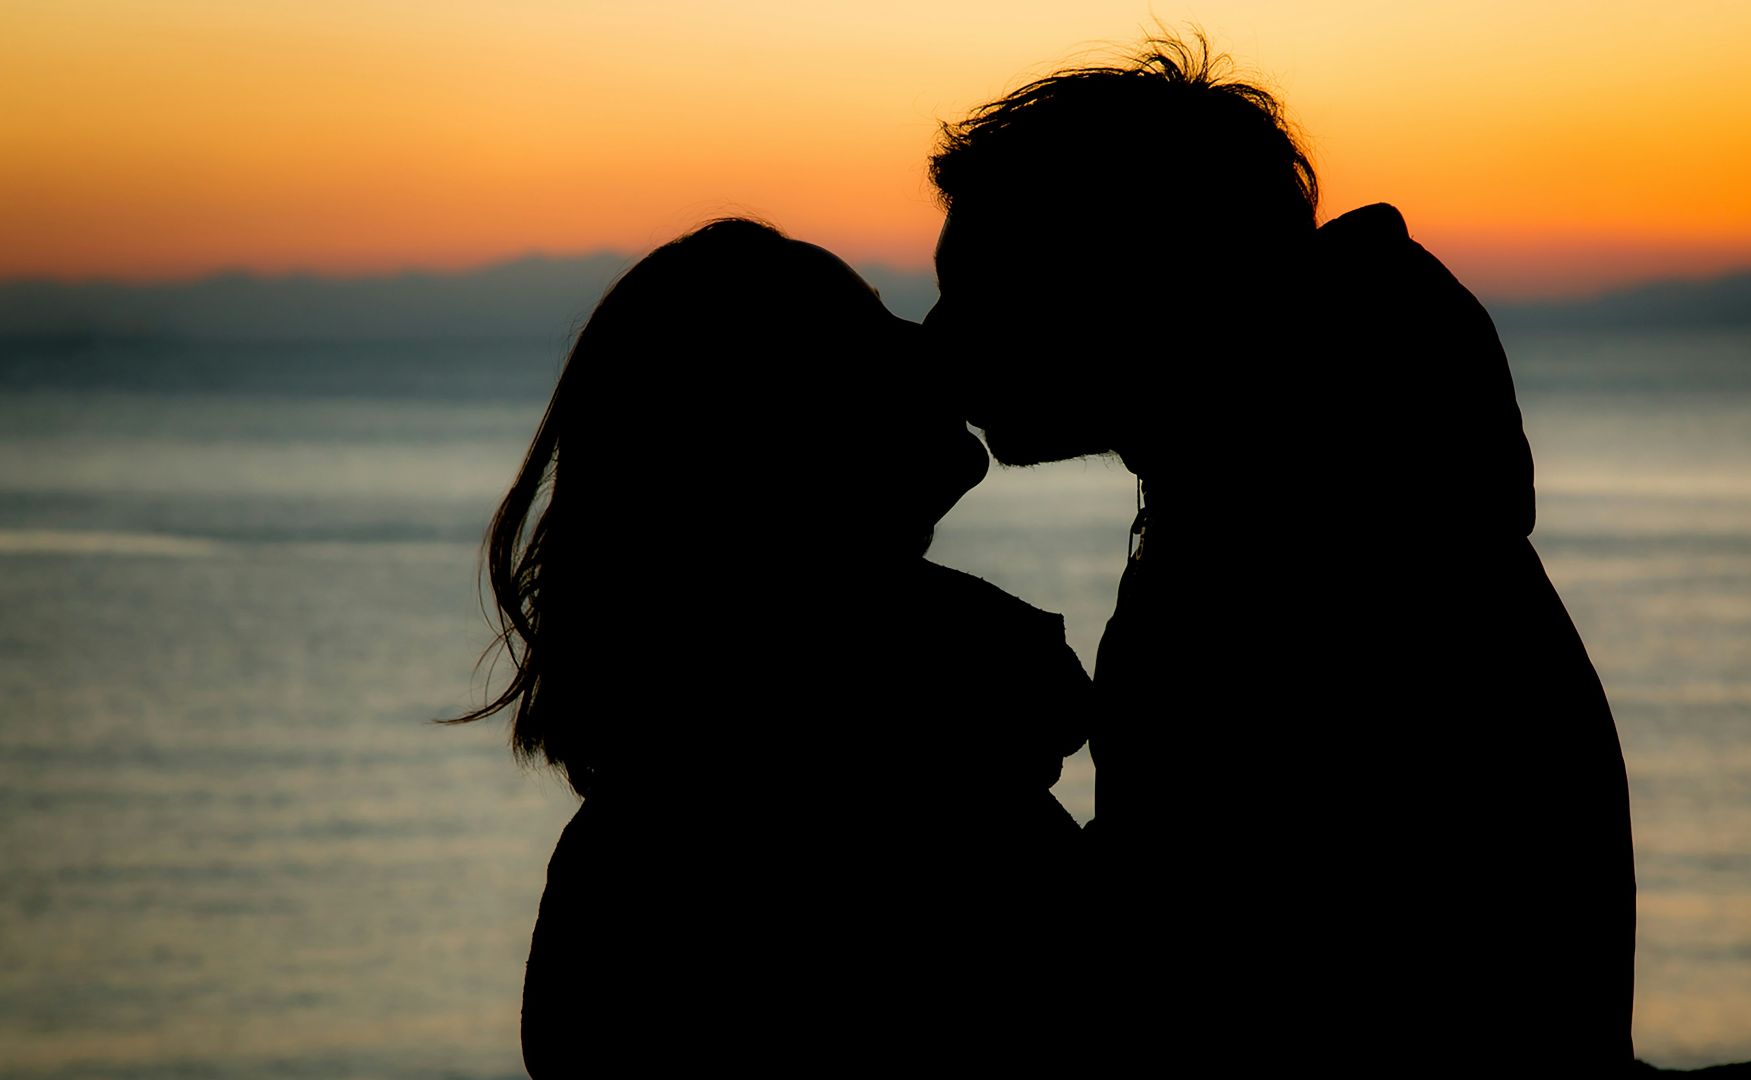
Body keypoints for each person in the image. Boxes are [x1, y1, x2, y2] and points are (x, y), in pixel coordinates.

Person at [923, 37, 1636, 1072]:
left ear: (1116, 278)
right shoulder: (1341, 475)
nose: (943, 343)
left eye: (981, 292)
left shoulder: (1294, 550)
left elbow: (1203, 967)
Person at [445, 218, 1090, 1074]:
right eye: (868, 338)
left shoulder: (672, 807)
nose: (922, 346)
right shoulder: (901, 774)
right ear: (787, 436)